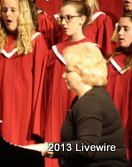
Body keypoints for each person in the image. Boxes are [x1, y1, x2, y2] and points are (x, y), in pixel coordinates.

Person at [24, 42, 131, 167]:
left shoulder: (91, 103)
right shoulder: (90, 97)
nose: (63, 75)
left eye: (68, 71)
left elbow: (86, 147)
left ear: (83, 73)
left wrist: (47, 148)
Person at [32, 1, 95, 167]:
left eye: (69, 18)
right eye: (62, 18)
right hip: (55, 113)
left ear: (82, 19)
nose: (64, 22)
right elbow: (44, 89)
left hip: (80, 113)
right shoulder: (54, 51)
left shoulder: (92, 50)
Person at [0, 0, 48, 145]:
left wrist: (37, 122)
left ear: (23, 13)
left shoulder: (36, 41)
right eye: (4, 10)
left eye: (13, 10)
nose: (7, 14)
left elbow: (41, 86)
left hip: (25, 115)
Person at [106, 12, 132, 161]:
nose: (120, 33)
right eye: (119, 28)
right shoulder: (111, 62)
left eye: (126, 29)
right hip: (110, 129)